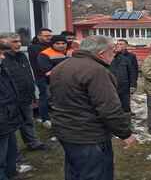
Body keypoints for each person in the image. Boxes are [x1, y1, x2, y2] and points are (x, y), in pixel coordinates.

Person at [50, 35, 137, 180]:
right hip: (89, 135)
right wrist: (125, 134)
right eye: (112, 51)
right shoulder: (97, 71)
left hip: (65, 130)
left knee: (74, 171)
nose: (114, 55)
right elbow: (109, 109)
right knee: (96, 174)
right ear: (102, 53)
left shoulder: (62, 66)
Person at [1, 33, 47, 153]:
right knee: (10, 128)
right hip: (10, 99)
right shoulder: (3, 59)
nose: (19, 44)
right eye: (14, 42)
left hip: (25, 95)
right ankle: (12, 153)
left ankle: (33, 143)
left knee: (28, 120)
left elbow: (27, 74)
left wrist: (32, 92)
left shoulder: (22, 56)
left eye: (19, 41)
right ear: (4, 42)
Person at [0, 40, 24, 180]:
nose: (3, 57)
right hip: (2, 120)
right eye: (0, 53)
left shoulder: (3, 69)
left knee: (10, 151)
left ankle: (11, 173)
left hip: (8, 117)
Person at [36, 35, 68, 128]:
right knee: (46, 99)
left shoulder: (68, 52)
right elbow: (47, 71)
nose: (61, 45)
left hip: (64, 82)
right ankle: (46, 119)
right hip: (47, 82)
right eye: (57, 43)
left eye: (63, 43)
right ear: (52, 44)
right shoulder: (45, 54)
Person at [27, 28, 52, 123]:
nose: (49, 38)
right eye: (46, 36)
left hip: (52, 76)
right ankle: (44, 118)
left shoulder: (51, 45)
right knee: (44, 96)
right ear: (39, 36)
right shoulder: (34, 47)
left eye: (50, 36)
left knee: (50, 96)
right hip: (41, 76)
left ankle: (49, 115)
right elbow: (40, 63)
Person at [110, 39, 138, 117]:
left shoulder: (131, 56)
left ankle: (126, 117)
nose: (119, 45)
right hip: (114, 84)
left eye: (121, 44)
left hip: (125, 84)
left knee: (125, 102)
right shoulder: (112, 56)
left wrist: (133, 84)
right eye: (118, 44)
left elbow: (134, 71)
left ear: (126, 46)